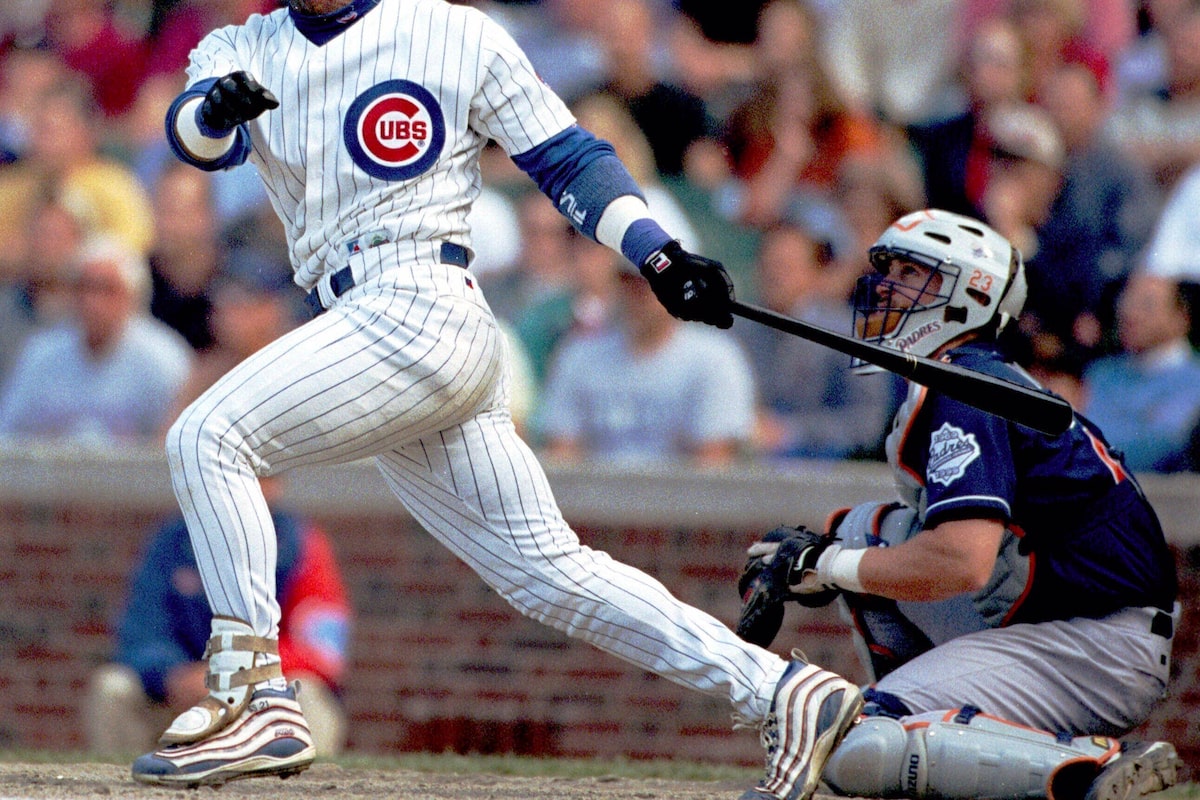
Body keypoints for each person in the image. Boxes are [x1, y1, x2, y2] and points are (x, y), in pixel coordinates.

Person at [137, 1, 864, 797]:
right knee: (548, 573)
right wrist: (214, 109)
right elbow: (195, 139)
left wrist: (655, 253)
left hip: (421, 299)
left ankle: (253, 696)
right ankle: (780, 691)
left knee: (207, 435)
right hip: (369, 318)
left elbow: (565, 156)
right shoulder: (240, 45)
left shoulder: (454, 29)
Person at [734, 209, 1181, 800]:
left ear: (967, 292)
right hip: (1064, 615)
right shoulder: (964, 376)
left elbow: (962, 561)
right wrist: (829, 558)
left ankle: (1089, 766)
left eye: (909, 272)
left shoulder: (965, 387)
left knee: (857, 745)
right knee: (864, 530)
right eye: (887, 269)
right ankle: (928, 731)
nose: (886, 286)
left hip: (1098, 642)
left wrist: (828, 567)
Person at [83, 475, 352, 758]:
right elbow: (140, 633)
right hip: (181, 700)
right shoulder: (173, 542)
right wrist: (172, 675)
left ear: (276, 484)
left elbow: (321, 650)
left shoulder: (302, 544)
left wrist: (237, 674)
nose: (246, 489)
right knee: (112, 687)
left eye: (260, 478)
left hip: (262, 705)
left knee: (306, 693)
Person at [539, 256, 755, 466]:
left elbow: (714, 464)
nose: (639, 291)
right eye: (628, 280)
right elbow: (561, 455)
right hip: (595, 498)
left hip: (681, 499)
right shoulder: (579, 355)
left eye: (653, 281)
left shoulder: (714, 358)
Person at [0, 234, 191, 441]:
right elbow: (8, 437)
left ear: (132, 296)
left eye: (107, 289)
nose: (92, 302)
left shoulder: (163, 360)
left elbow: (179, 444)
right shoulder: (41, 354)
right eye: (84, 287)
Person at [1081, 271, 1200, 473]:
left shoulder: (1194, 380)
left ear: (1181, 318)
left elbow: (1168, 442)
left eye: (1147, 305)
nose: (1130, 314)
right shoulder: (1102, 374)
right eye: (1126, 302)